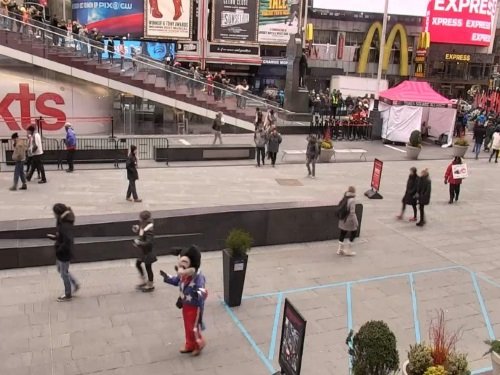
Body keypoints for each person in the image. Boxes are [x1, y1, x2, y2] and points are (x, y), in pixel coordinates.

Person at [160, 245, 207, 356]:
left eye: (183, 268)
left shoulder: (198, 278)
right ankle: (189, 344)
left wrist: (197, 295)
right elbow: (177, 280)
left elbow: (203, 292)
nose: (180, 271)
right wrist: (167, 277)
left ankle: (199, 343)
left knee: (193, 327)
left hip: (195, 306)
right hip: (186, 305)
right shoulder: (185, 274)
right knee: (187, 326)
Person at [47, 204, 79, 302]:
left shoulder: (65, 225)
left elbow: (68, 240)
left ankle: (68, 294)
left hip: (64, 253)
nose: (53, 215)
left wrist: (60, 249)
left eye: (54, 213)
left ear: (58, 213)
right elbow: (63, 236)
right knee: (61, 270)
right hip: (61, 252)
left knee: (63, 273)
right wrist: (55, 237)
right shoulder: (62, 221)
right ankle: (74, 283)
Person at [132, 210, 156, 292]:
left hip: (148, 252)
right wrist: (137, 229)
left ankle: (150, 285)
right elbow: (142, 232)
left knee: (148, 268)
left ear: (143, 219)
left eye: (140, 218)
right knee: (138, 264)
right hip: (143, 251)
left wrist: (139, 242)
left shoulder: (149, 228)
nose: (139, 219)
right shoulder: (144, 225)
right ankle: (143, 280)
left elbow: (149, 242)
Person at [337, 186, 358, 256]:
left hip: (342, 219)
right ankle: (348, 250)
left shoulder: (345, 197)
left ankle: (340, 250)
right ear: (354, 192)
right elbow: (352, 213)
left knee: (342, 233)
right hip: (349, 220)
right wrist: (356, 222)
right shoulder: (352, 200)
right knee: (354, 232)